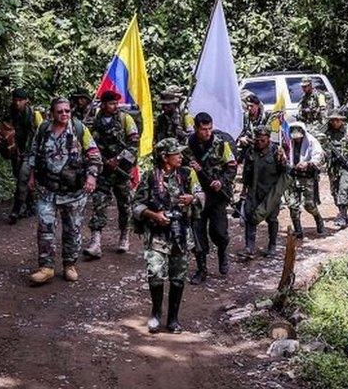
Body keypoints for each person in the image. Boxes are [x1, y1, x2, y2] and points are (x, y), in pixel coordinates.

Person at [26, 97, 101, 285]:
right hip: (47, 189)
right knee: (45, 228)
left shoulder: (79, 129)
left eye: (67, 111)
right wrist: (31, 176)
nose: (64, 114)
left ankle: (69, 264)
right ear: (52, 113)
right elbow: (34, 153)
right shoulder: (43, 129)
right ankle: (46, 267)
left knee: (73, 230)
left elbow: (93, 154)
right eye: (60, 111)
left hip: (73, 192)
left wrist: (91, 176)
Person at [133, 137, 203, 334]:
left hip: (180, 234)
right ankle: (155, 313)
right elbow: (136, 205)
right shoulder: (150, 176)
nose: (181, 157)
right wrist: (153, 215)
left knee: (178, 277)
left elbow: (201, 195)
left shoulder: (188, 174)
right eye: (176, 154)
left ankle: (173, 318)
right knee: (155, 274)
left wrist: (192, 198)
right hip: (157, 235)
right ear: (165, 157)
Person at [85, 90, 140, 258]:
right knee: (99, 203)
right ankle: (96, 241)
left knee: (125, 205)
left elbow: (134, 144)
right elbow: (91, 144)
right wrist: (102, 160)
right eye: (111, 103)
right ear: (103, 104)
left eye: (116, 103)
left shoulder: (125, 119)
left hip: (122, 171)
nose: (115, 106)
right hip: (104, 171)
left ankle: (124, 236)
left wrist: (118, 159)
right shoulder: (97, 120)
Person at [186, 113, 237, 282]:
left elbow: (231, 166)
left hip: (217, 196)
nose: (207, 132)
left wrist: (221, 181)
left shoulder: (220, 143)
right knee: (198, 233)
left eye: (209, 128)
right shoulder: (188, 145)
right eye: (203, 129)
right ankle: (202, 269)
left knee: (219, 231)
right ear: (196, 128)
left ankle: (223, 252)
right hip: (197, 196)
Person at [240, 126, 287, 258]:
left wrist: (282, 160)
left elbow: (284, 172)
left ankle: (272, 246)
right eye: (257, 140)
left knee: (271, 219)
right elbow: (246, 172)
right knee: (250, 218)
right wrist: (244, 191)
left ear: (268, 139)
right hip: (254, 191)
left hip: (270, 193)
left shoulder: (276, 151)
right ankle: (249, 247)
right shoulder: (251, 151)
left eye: (263, 140)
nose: (259, 143)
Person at [6, 88, 44, 224]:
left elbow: (41, 135)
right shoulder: (10, 113)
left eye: (20, 100)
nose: (17, 103)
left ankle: (15, 211)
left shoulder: (34, 115)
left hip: (30, 152)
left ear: (26, 100)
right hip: (15, 151)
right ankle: (30, 205)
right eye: (15, 100)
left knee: (22, 179)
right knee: (19, 177)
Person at [285, 122, 326, 238]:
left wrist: (308, 164)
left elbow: (319, 156)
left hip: (307, 176)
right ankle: (298, 230)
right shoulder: (287, 142)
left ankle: (318, 219)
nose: (297, 140)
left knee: (309, 205)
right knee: (293, 205)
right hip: (292, 176)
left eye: (299, 137)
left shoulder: (312, 141)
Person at [324, 110, 348, 228]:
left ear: (341, 120)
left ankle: (343, 216)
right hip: (332, 166)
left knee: (344, 188)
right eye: (332, 120)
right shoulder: (326, 131)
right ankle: (341, 210)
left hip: (345, 165)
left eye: (337, 120)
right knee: (335, 191)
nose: (335, 122)